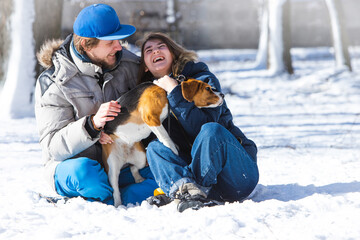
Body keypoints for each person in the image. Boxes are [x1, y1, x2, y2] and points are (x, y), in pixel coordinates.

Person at [34, 4, 158, 206]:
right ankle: (113, 196)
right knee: (86, 174)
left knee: (165, 173)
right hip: (78, 168)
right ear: (86, 44)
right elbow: (53, 146)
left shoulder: (130, 66)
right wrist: (91, 125)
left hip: (122, 163)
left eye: (118, 39)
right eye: (110, 42)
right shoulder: (53, 82)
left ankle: (109, 199)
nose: (119, 46)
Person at [137, 32, 259, 212]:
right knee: (155, 147)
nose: (155, 51)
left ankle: (191, 190)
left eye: (161, 46)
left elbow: (202, 129)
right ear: (146, 67)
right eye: (149, 50)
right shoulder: (149, 97)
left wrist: (174, 92)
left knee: (211, 130)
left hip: (236, 174)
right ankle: (184, 189)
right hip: (196, 175)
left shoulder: (202, 79)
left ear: (173, 54)